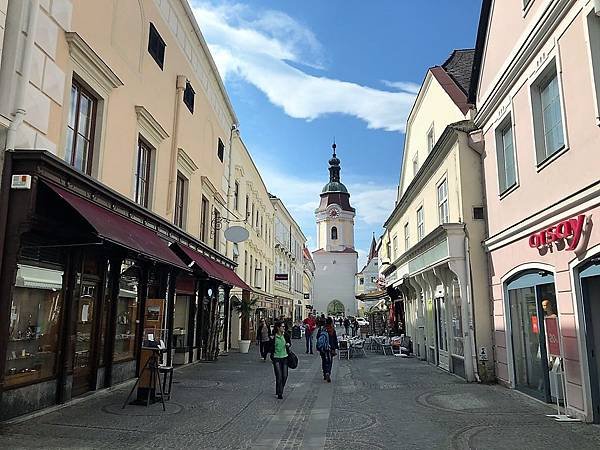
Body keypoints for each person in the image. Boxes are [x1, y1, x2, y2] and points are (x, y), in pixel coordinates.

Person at [269, 321, 291, 399]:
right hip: (276, 358)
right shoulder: (273, 337)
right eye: (282, 326)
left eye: (284, 326)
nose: (284, 328)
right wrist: (271, 341)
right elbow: (269, 348)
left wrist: (288, 344)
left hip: (285, 357)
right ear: (278, 327)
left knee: (285, 376)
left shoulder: (286, 335)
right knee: (279, 376)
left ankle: (279, 389)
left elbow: (289, 343)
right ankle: (279, 393)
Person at [316, 317, 338, 382]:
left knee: (324, 360)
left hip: (323, 348)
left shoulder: (322, 329)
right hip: (330, 348)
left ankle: (324, 373)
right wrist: (335, 348)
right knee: (330, 361)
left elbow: (318, 337)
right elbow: (335, 340)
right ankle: (328, 372)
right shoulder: (332, 330)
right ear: (331, 322)